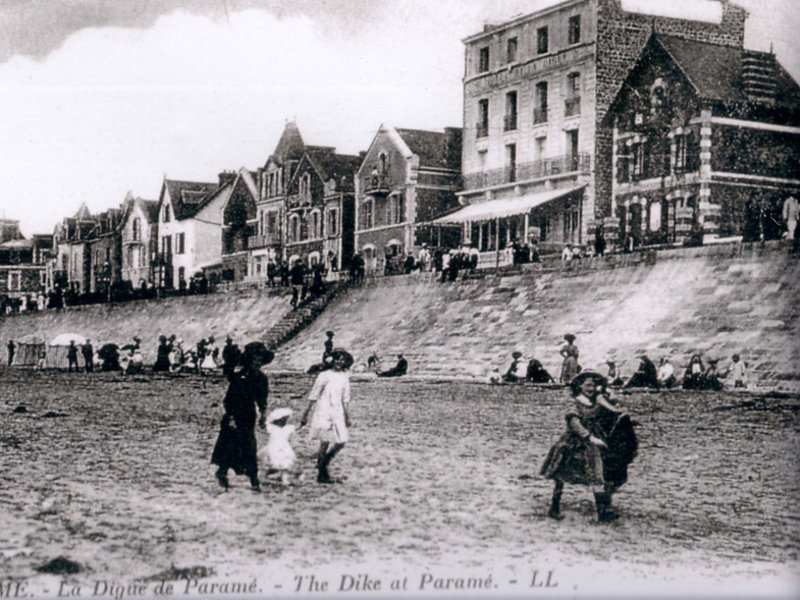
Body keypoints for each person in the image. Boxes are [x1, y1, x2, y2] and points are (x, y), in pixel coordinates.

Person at [540, 371, 638, 522]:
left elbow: (614, 409)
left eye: (593, 385)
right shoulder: (574, 402)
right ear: (580, 386)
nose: (590, 388)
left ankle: (603, 512)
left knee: (599, 474)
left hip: (595, 442)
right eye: (587, 385)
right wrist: (590, 437)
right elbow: (575, 424)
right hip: (574, 443)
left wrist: (609, 395)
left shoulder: (597, 400)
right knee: (560, 477)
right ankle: (554, 508)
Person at [210, 342, 274, 491]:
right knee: (230, 446)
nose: (257, 362)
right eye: (254, 359)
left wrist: (263, 415)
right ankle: (222, 473)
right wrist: (231, 418)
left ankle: (254, 480)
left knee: (249, 447)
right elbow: (229, 399)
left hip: (248, 415)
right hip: (234, 414)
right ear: (249, 360)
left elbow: (262, 399)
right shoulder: (239, 377)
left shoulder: (262, 378)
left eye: (260, 359)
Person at [300, 348, 354, 484]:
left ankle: (323, 464)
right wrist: (305, 414)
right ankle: (322, 474)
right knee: (324, 441)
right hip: (323, 410)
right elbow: (314, 395)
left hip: (337, 411)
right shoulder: (324, 375)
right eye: (337, 359)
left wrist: (347, 416)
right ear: (332, 360)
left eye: (342, 360)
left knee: (341, 441)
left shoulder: (345, 376)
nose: (339, 362)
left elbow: (345, 399)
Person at [258, 407, 299, 486]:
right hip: (273, 448)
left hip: (284, 448)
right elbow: (263, 426)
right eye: (282, 419)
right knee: (273, 463)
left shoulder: (288, 428)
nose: (284, 421)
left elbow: (295, 430)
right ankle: (265, 476)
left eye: (285, 419)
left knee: (285, 464)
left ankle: (284, 478)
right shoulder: (272, 428)